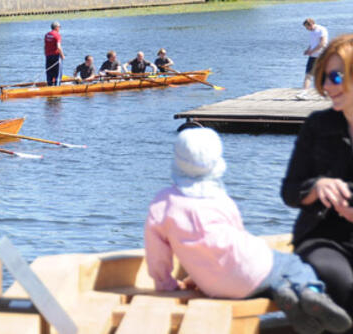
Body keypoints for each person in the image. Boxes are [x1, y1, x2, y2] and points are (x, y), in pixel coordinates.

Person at [146, 127, 352, 334]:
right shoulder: (220, 200)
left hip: (213, 286)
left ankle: (284, 292)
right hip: (252, 271)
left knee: (269, 276)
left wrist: (165, 283)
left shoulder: (162, 204)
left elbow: (157, 254)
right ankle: (312, 293)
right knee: (292, 264)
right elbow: (237, 240)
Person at [282, 34, 353, 325]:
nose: (326, 86)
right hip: (323, 239)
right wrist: (316, 187)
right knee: (341, 283)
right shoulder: (317, 125)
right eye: (324, 77)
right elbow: (289, 191)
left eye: (335, 76)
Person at [297, 18, 328, 100]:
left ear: (311, 24)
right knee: (308, 74)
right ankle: (304, 93)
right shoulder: (312, 32)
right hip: (313, 56)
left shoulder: (321, 30)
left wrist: (312, 51)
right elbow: (312, 44)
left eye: (307, 27)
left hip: (322, 55)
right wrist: (308, 50)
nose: (306, 29)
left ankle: (324, 92)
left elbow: (323, 43)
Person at [44, 21, 65, 86]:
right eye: (59, 27)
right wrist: (62, 56)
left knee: (49, 72)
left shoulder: (47, 35)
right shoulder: (57, 35)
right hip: (55, 56)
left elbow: (45, 46)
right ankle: (57, 86)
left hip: (48, 56)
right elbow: (58, 47)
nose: (59, 29)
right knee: (57, 73)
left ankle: (49, 85)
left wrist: (46, 54)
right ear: (56, 27)